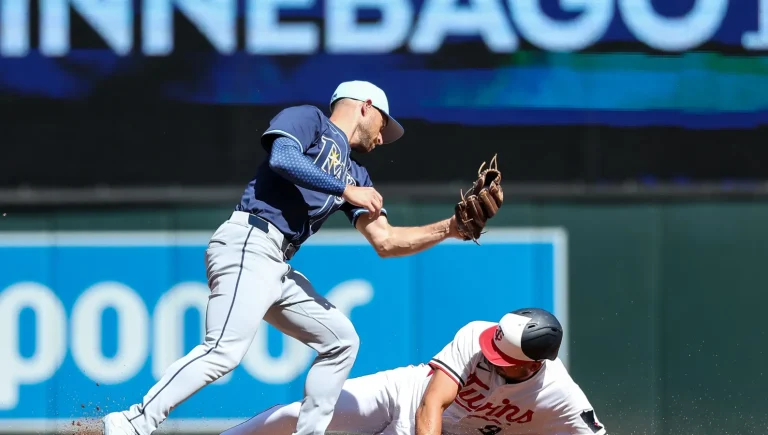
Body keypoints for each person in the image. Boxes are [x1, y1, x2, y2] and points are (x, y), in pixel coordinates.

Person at [102, 80, 474, 435]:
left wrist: (451, 228)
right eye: (382, 124)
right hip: (250, 239)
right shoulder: (310, 119)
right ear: (365, 106)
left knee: (342, 341)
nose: (381, 137)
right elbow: (282, 158)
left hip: (276, 264)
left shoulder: (356, 173)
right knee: (223, 351)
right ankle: (133, 422)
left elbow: (386, 241)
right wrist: (345, 190)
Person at [219, 308, 607, 435]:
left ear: (532, 364)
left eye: (502, 355)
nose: (490, 353)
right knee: (299, 413)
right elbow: (431, 404)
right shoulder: (477, 334)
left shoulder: (559, 396)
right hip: (405, 394)